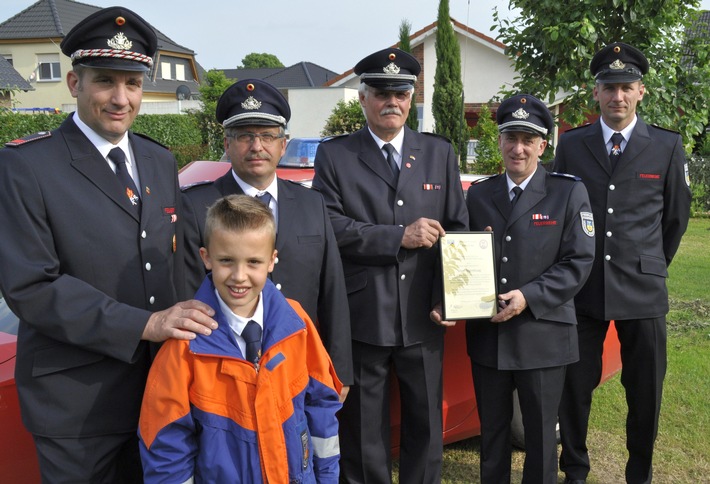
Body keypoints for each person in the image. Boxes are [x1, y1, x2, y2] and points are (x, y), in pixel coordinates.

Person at [0, 7, 218, 482]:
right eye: (105, 81)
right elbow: (32, 286)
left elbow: (178, 262)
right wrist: (148, 323)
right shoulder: (27, 166)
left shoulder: (158, 159)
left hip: (159, 391)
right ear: (74, 82)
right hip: (77, 404)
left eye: (133, 83)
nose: (121, 98)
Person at [312, 47, 469, 483]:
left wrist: (449, 298)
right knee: (363, 431)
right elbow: (331, 227)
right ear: (363, 98)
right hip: (364, 315)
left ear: (412, 97)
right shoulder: (336, 155)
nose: (392, 102)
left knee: (425, 425)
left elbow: (457, 229)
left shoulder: (439, 152)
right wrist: (397, 235)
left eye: (401, 93)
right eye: (382, 93)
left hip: (424, 313)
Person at [435, 94, 595, 483]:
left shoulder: (568, 192)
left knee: (540, 438)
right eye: (510, 138)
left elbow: (579, 262)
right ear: (500, 142)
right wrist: (450, 297)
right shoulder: (480, 194)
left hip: (543, 336)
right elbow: (461, 258)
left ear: (543, 145)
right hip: (490, 336)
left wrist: (528, 296)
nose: (518, 148)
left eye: (528, 140)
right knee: (493, 434)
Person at [554, 42, 692, 484]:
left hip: (643, 289)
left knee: (645, 391)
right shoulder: (572, 145)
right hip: (584, 287)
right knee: (574, 388)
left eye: (626, 87)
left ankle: (640, 472)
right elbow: (561, 213)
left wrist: (651, 262)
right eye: (609, 88)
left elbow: (675, 218)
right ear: (595, 93)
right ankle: (574, 469)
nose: (618, 96)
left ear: (641, 91)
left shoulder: (667, 146)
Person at [139, 194, 342, 483]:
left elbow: (322, 409)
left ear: (272, 261)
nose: (239, 276)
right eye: (226, 261)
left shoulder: (298, 325)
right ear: (206, 258)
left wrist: (327, 478)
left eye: (253, 262)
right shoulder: (184, 347)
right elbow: (165, 448)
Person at [180, 79, 353, 400]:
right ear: (227, 143)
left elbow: (332, 291)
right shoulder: (194, 207)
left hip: (301, 366)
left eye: (267, 135)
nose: (257, 146)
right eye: (245, 135)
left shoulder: (311, 204)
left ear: (283, 144)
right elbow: (189, 298)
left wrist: (339, 369)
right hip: (224, 374)